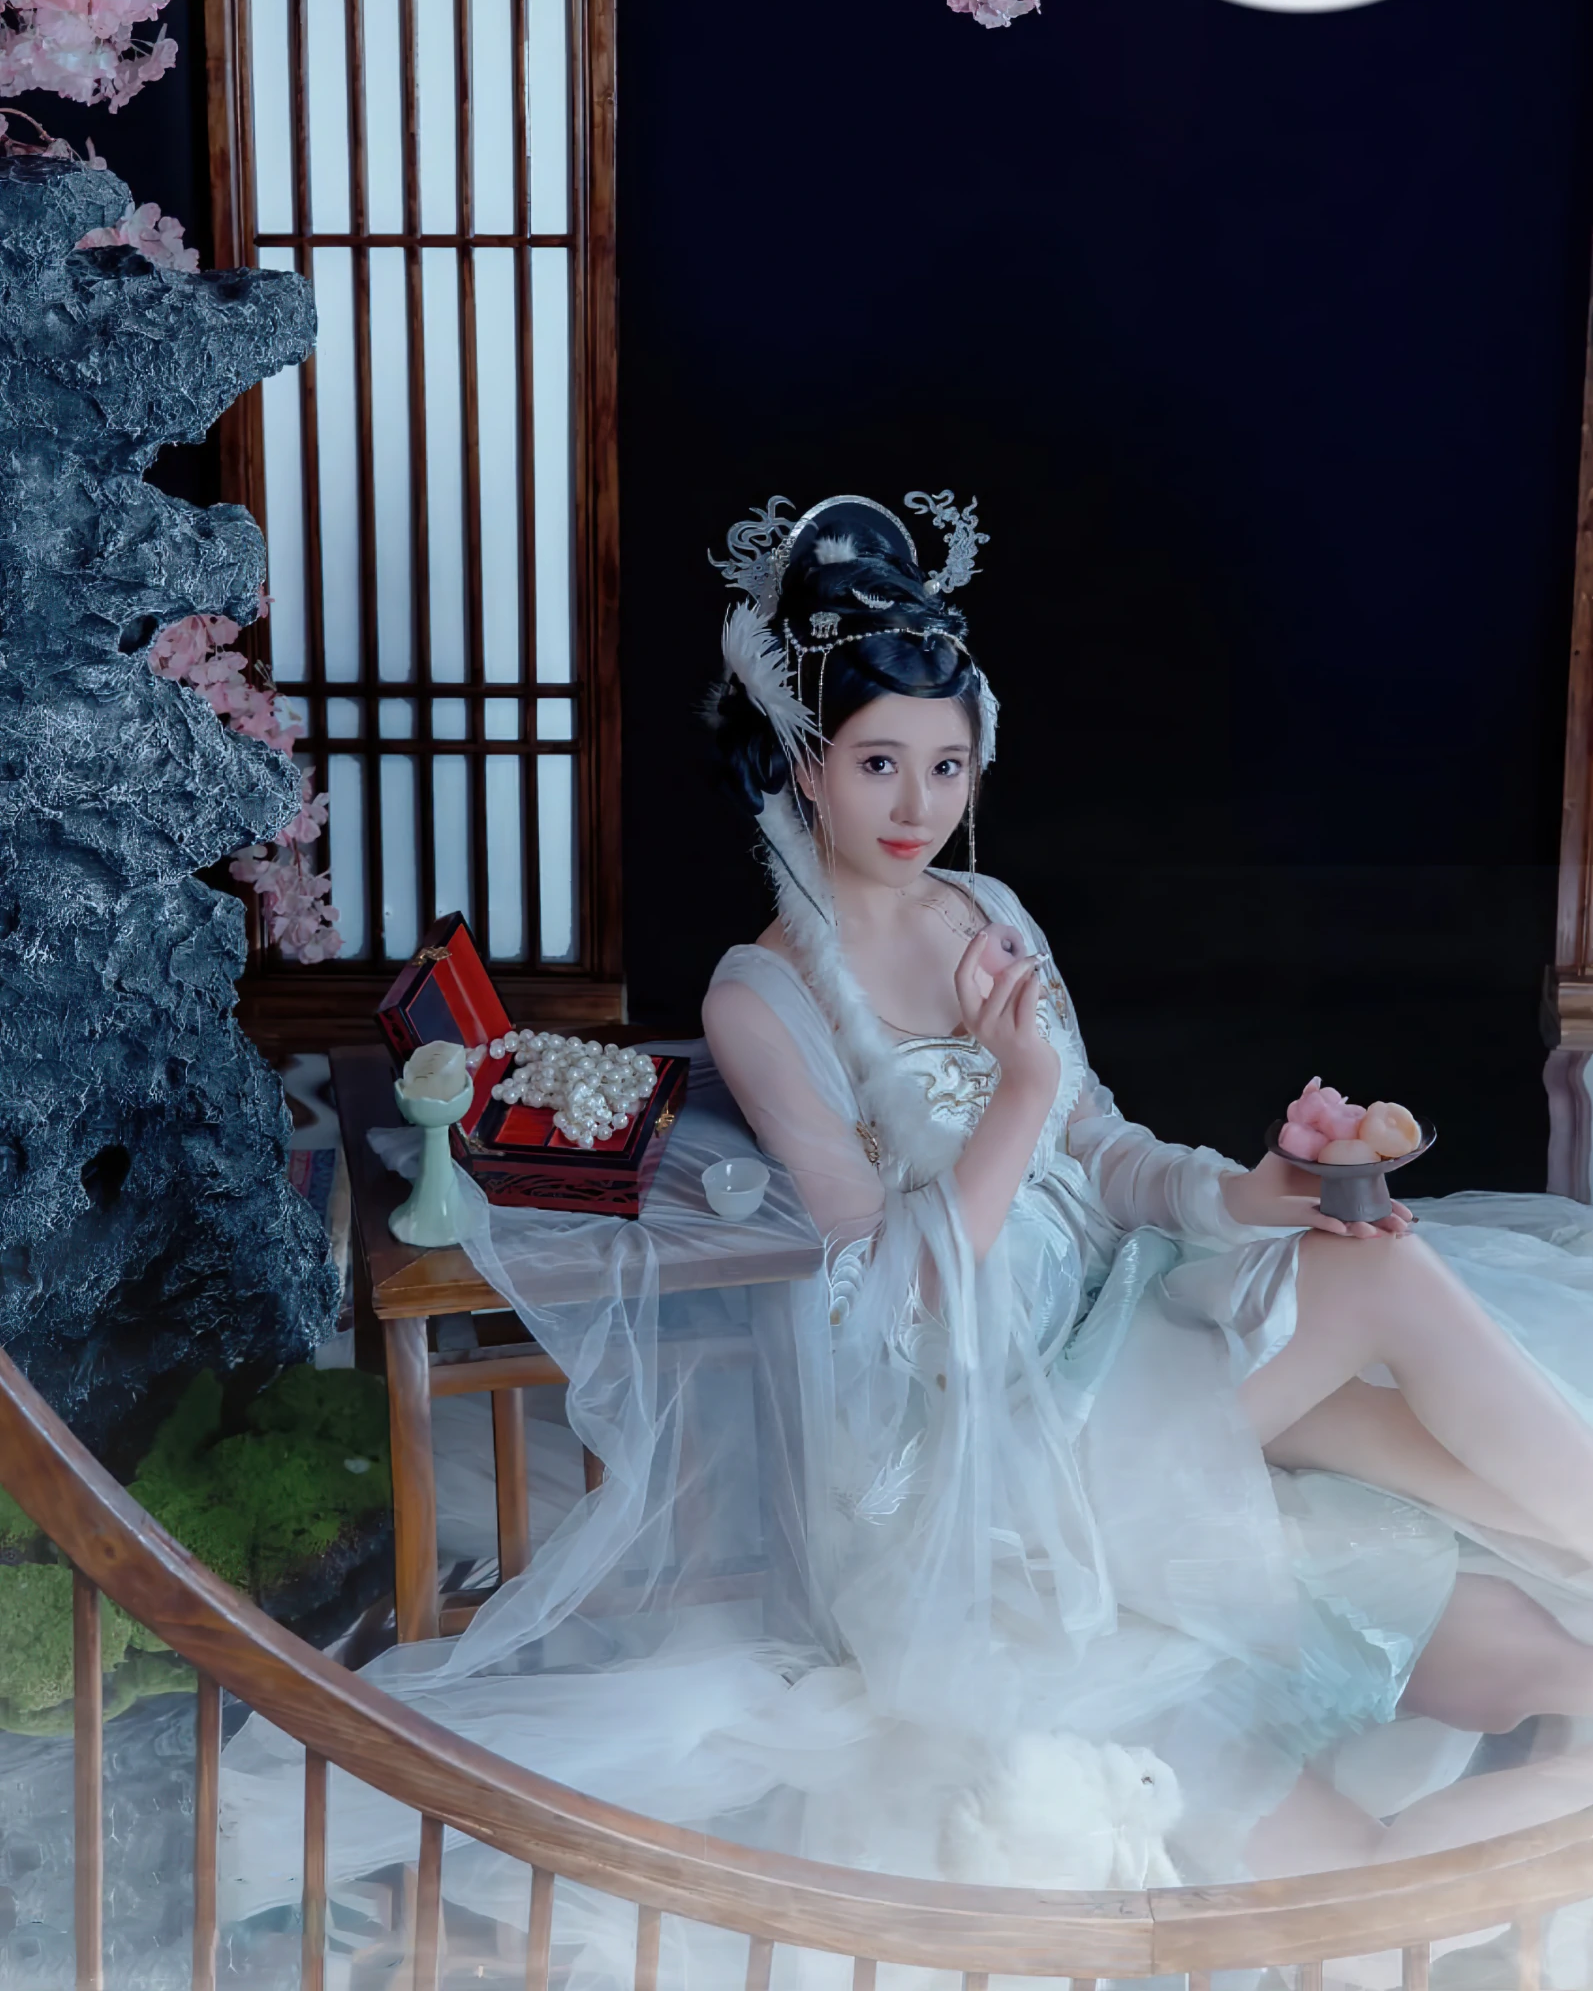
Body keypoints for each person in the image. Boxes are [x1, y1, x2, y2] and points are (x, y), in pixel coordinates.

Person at [220, 489, 1593, 1969]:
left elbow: (1109, 1153)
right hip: (985, 1434)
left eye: (947, 764)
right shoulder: (763, 995)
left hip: (1128, 1315)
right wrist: (1019, 1092)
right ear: (806, 764)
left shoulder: (986, 910)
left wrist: (1260, 1190)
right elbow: (895, 1301)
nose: (916, 804)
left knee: (1379, 1259)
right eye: (879, 762)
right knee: (1384, 1351)